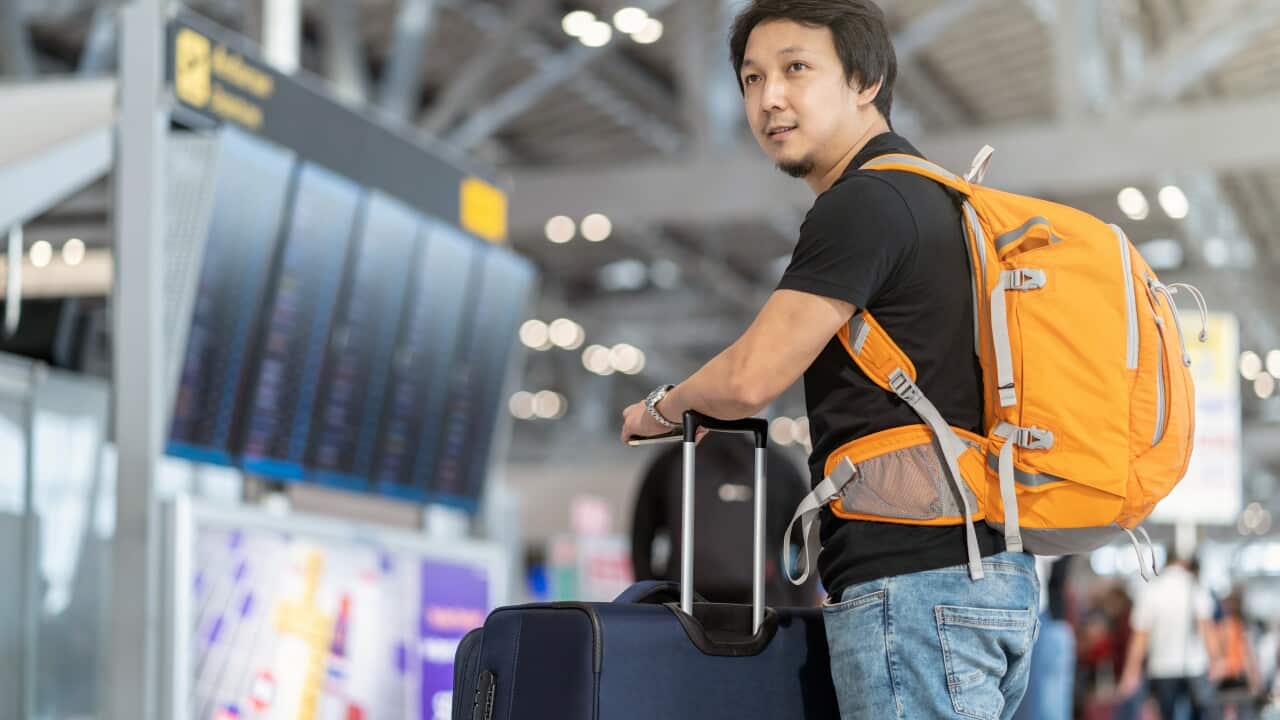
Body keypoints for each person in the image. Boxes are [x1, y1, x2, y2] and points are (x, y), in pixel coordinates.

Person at [619, 2, 1037, 717]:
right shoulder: (939, 200)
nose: (768, 97)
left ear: (865, 79)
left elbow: (753, 375)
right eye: (752, 78)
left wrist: (658, 408)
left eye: (795, 69)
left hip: (914, 590)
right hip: (981, 576)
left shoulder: (864, 204)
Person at [630, 432, 818, 606]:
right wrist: (800, 605)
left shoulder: (670, 461)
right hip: (765, 607)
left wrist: (652, 600)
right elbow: (809, 541)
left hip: (682, 607)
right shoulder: (777, 465)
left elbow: (641, 536)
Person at [1119, 556, 1224, 720]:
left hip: (1161, 667)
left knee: (1166, 714)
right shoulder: (1195, 587)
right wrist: (1216, 659)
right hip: (1193, 666)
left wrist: (1131, 670)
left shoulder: (1151, 590)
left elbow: (1140, 636)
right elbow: (1206, 628)